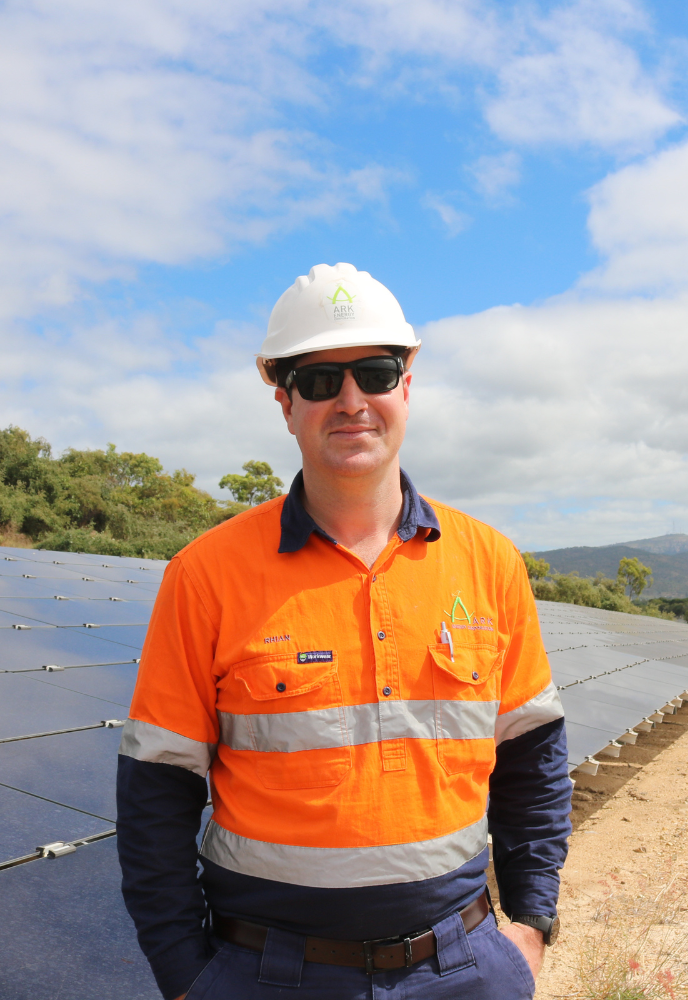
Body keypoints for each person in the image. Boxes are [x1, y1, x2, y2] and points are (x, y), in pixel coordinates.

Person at [116, 262, 573, 1000]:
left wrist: (531, 927)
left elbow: (532, 759)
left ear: (407, 384)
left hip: (463, 967)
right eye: (321, 380)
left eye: (375, 371)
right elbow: (155, 791)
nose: (352, 399)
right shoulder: (205, 574)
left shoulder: (489, 562)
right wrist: (185, 975)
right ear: (284, 399)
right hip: (265, 972)